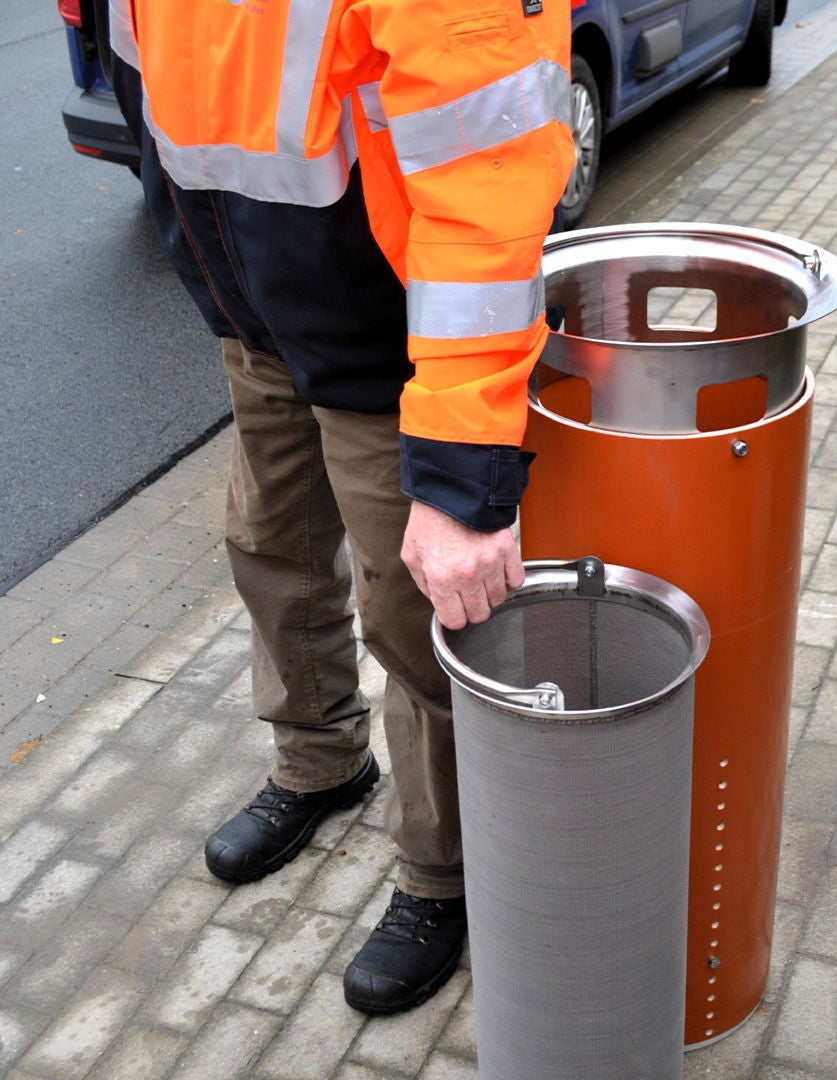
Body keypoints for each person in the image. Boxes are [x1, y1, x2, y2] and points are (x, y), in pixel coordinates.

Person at [107, 0, 574, 1016]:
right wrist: (218, 292)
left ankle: (446, 874)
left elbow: (487, 186)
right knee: (267, 547)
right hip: (258, 316)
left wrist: (461, 478)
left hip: (387, 345)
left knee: (419, 623)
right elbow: (156, 92)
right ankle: (320, 762)